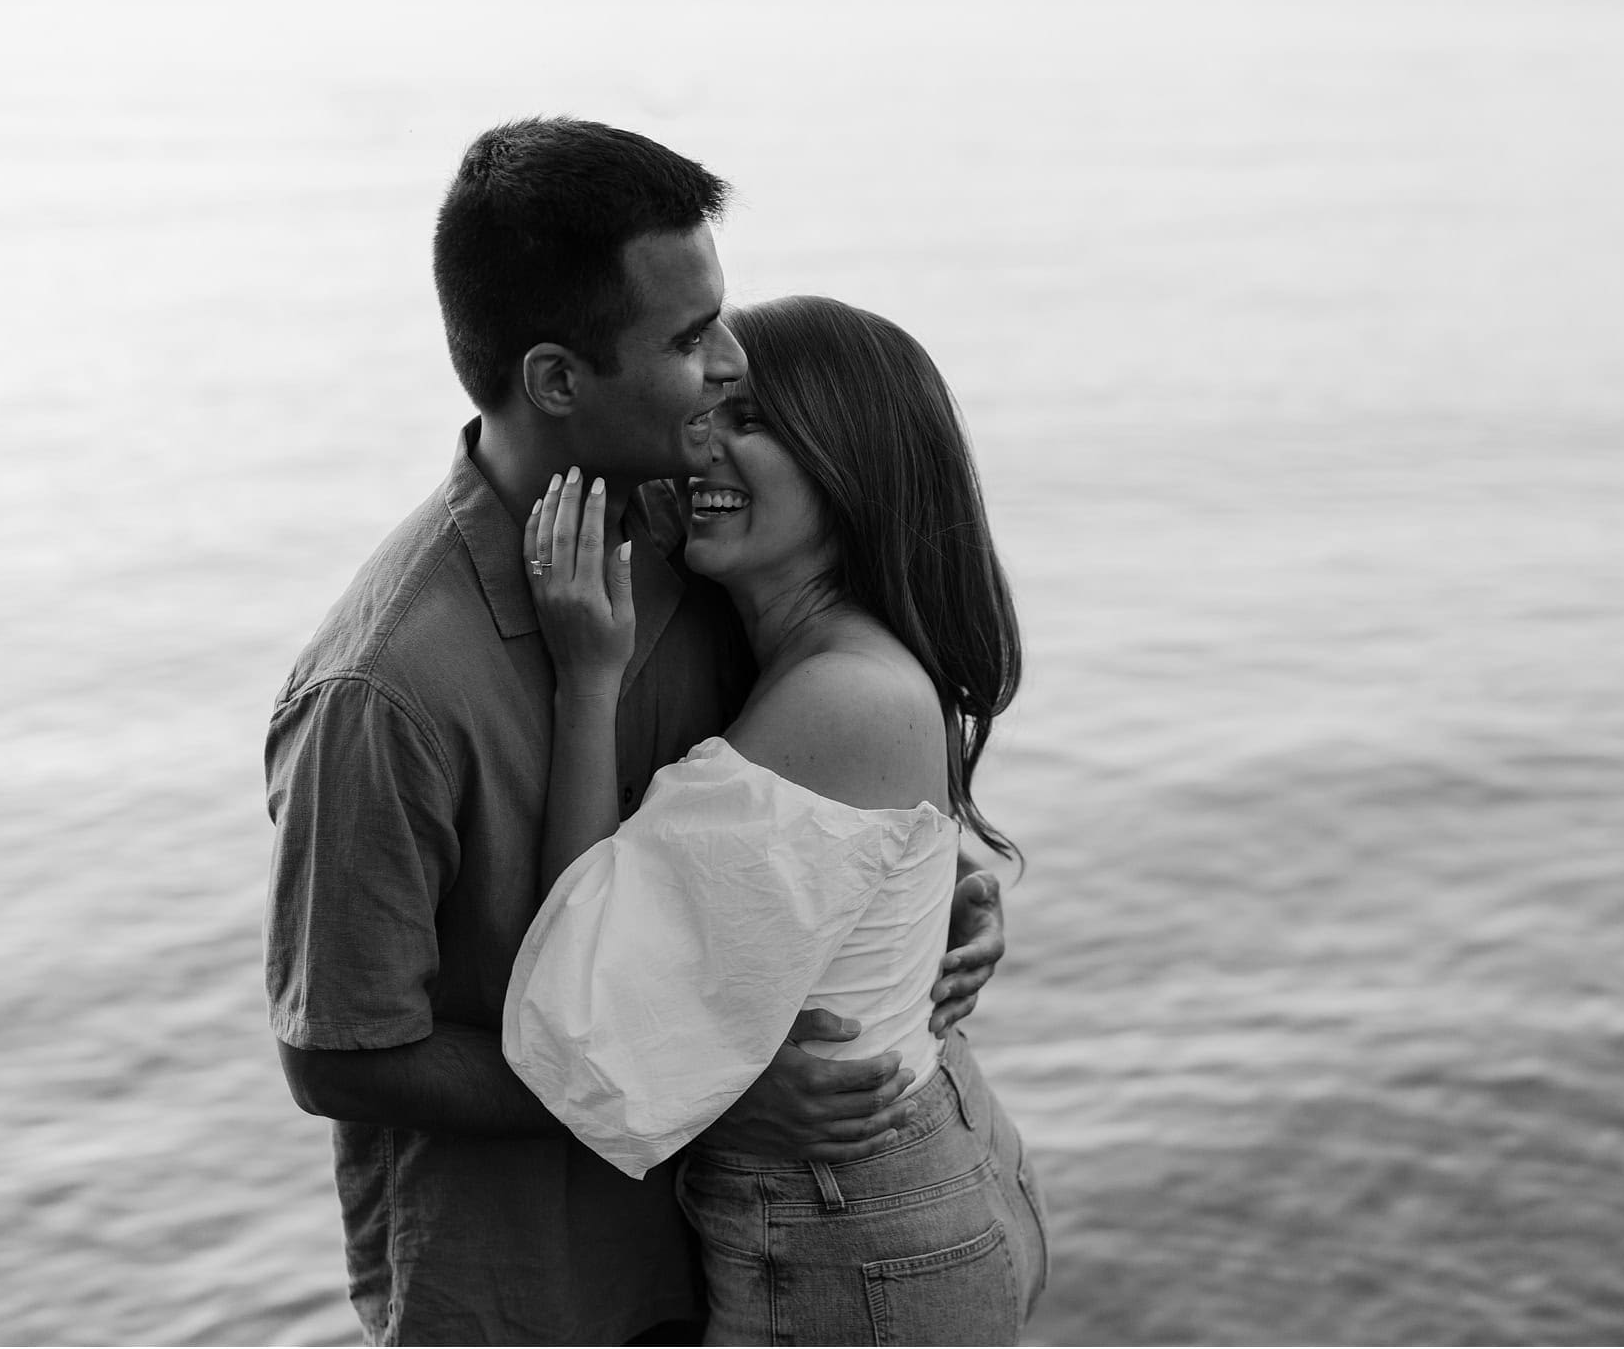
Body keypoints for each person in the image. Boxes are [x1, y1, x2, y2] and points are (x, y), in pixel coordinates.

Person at [263, 118, 1008, 1346]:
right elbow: (339, 1058)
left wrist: (930, 889)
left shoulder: (701, 544)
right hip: (534, 1297)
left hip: (745, 1256)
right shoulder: (381, 693)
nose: (725, 362)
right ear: (558, 379)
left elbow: (781, 826)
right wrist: (702, 1094)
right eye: (686, 337)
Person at [502, 295, 1049, 1345]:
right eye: (711, 404)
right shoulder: (839, 656)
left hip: (857, 1239)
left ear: (846, 464)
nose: (699, 438)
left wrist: (586, 679)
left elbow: (583, 988)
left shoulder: (838, 695)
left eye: (748, 419)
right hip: (916, 1187)